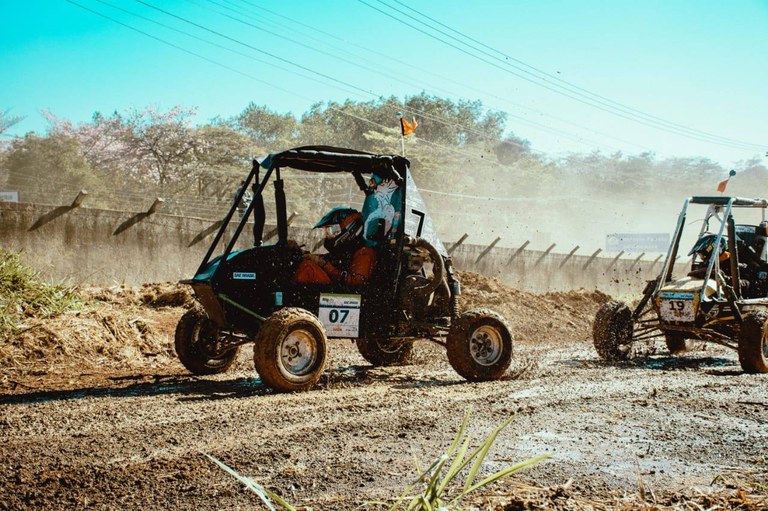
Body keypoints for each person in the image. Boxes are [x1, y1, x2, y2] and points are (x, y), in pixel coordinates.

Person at [294, 207, 376, 286]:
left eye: (331, 231)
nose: (328, 236)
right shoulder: (346, 251)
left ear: (349, 231)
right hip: (334, 293)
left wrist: (325, 265)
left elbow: (356, 284)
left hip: (341, 296)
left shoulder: (364, 254)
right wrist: (299, 252)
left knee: (308, 268)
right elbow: (333, 261)